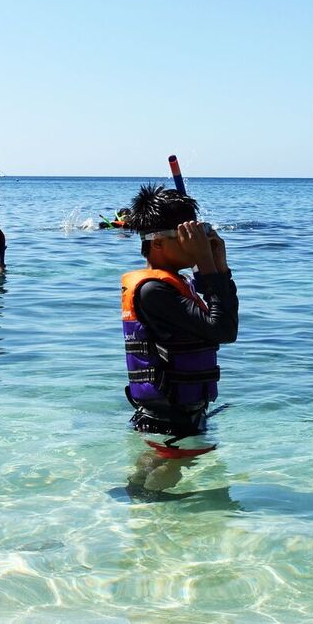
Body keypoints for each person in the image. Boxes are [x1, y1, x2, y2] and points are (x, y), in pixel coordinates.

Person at [121, 183, 238, 486]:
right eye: (186, 235)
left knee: (158, 486)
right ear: (158, 242)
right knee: (156, 488)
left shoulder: (175, 283)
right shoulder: (153, 290)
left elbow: (221, 321)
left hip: (177, 417)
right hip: (166, 421)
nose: (194, 242)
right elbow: (223, 330)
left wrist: (218, 266)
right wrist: (210, 266)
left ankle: (143, 518)